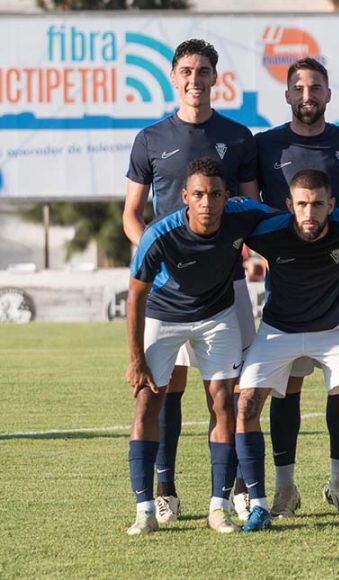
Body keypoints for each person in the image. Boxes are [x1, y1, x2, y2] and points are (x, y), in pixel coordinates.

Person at [123, 38, 259, 524]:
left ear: (214, 78)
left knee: (231, 391)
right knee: (166, 389)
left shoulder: (239, 137)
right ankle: (165, 491)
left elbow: (248, 213)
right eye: (185, 71)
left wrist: (247, 255)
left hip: (225, 287)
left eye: (203, 71)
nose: (194, 80)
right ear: (173, 77)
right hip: (167, 291)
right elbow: (132, 216)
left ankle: (237, 489)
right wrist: (159, 259)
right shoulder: (151, 138)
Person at [124, 158, 271, 535]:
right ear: (185, 196)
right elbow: (136, 295)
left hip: (216, 317)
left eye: (216, 194)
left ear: (227, 197)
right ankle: (144, 511)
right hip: (163, 315)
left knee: (223, 402)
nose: (208, 202)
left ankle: (217, 508)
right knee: (147, 401)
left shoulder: (244, 214)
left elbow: (288, 223)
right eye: (200, 195)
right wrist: (135, 358)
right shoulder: (160, 234)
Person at [253, 56, 339, 519]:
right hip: (288, 287)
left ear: (328, 95)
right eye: (298, 88)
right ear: (287, 95)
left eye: (315, 87)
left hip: (338, 285)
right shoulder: (267, 145)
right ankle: (285, 488)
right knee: (286, 388)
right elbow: (254, 214)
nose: (307, 95)